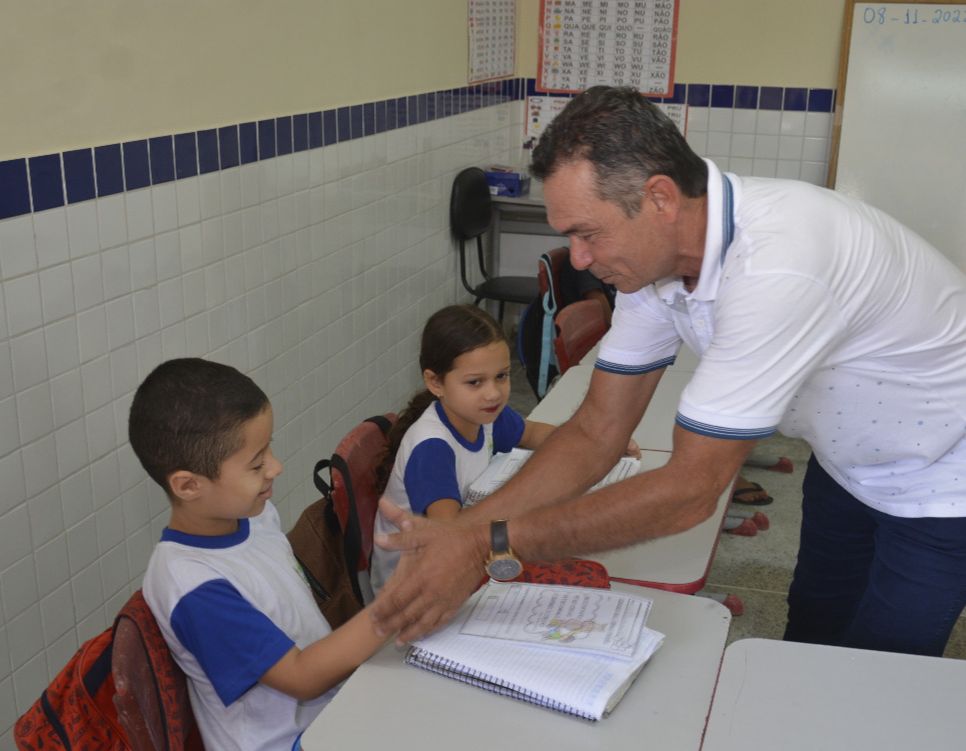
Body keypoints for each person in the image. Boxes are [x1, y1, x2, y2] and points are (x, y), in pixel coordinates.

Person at [371, 85, 966, 658]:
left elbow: (689, 491)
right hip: (849, 462)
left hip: (944, 475)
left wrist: (487, 542)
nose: (579, 259)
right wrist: (462, 535)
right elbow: (596, 432)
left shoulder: (778, 265)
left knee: (882, 664)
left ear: (659, 199)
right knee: (814, 626)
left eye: (588, 233)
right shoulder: (652, 268)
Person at [131, 358, 389, 750]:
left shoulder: (254, 518)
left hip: (332, 711)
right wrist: (396, 606)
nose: (276, 467)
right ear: (188, 486)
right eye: (256, 464)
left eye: (269, 449)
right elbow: (301, 677)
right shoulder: (192, 585)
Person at [370, 304, 639, 593]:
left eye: (502, 376)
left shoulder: (484, 415)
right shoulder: (432, 450)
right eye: (475, 382)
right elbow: (451, 535)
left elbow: (532, 433)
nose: (493, 393)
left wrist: (598, 443)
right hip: (412, 590)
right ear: (436, 382)